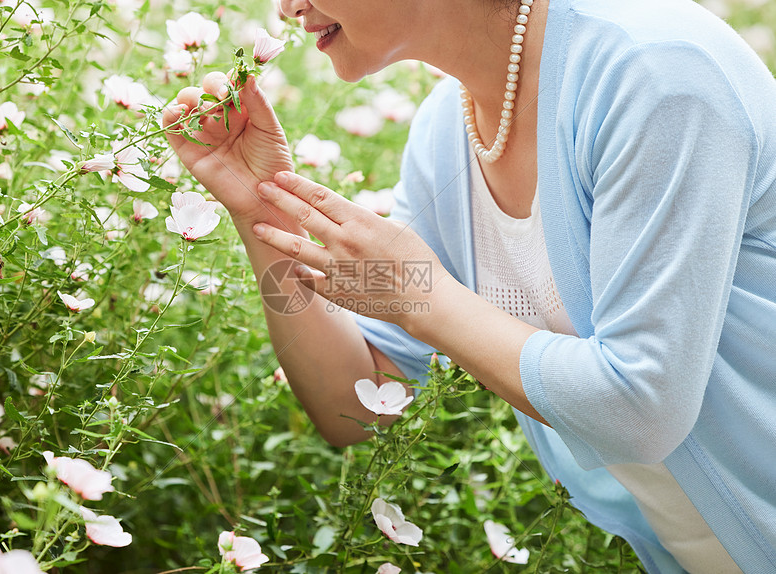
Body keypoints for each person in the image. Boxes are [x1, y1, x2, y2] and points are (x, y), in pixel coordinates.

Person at [162, 0, 776, 571]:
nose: (288, 7)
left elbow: (642, 411)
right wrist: (264, 216)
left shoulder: (654, 75)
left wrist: (419, 297)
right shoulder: (448, 137)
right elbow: (361, 401)